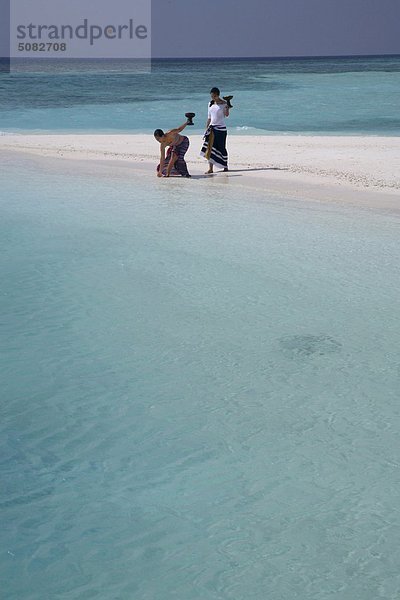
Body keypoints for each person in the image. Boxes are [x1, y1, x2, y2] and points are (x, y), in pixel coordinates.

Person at [200, 87, 229, 174]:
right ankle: (210, 168)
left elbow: (226, 115)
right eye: (212, 96)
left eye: (214, 96)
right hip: (212, 128)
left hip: (221, 129)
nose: (213, 98)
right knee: (210, 148)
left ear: (218, 95)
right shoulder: (210, 104)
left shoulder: (224, 104)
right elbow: (209, 118)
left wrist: (227, 108)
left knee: (221, 148)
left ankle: (225, 165)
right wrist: (206, 129)